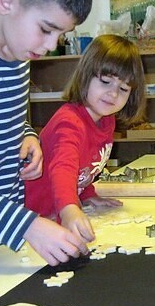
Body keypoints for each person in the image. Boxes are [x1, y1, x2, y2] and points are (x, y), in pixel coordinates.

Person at [0, 0, 93, 266]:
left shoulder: (18, 57)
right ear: (6, 2)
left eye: (61, 34)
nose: (52, 45)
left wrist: (27, 135)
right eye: (46, 29)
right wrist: (28, 226)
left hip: (0, 243)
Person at [25, 34, 145, 241]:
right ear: (85, 76)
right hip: (34, 218)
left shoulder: (106, 120)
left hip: (56, 214)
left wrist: (87, 195)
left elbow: (84, 166)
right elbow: (63, 168)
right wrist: (70, 209)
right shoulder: (70, 122)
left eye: (123, 89)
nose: (113, 94)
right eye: (106, 81)